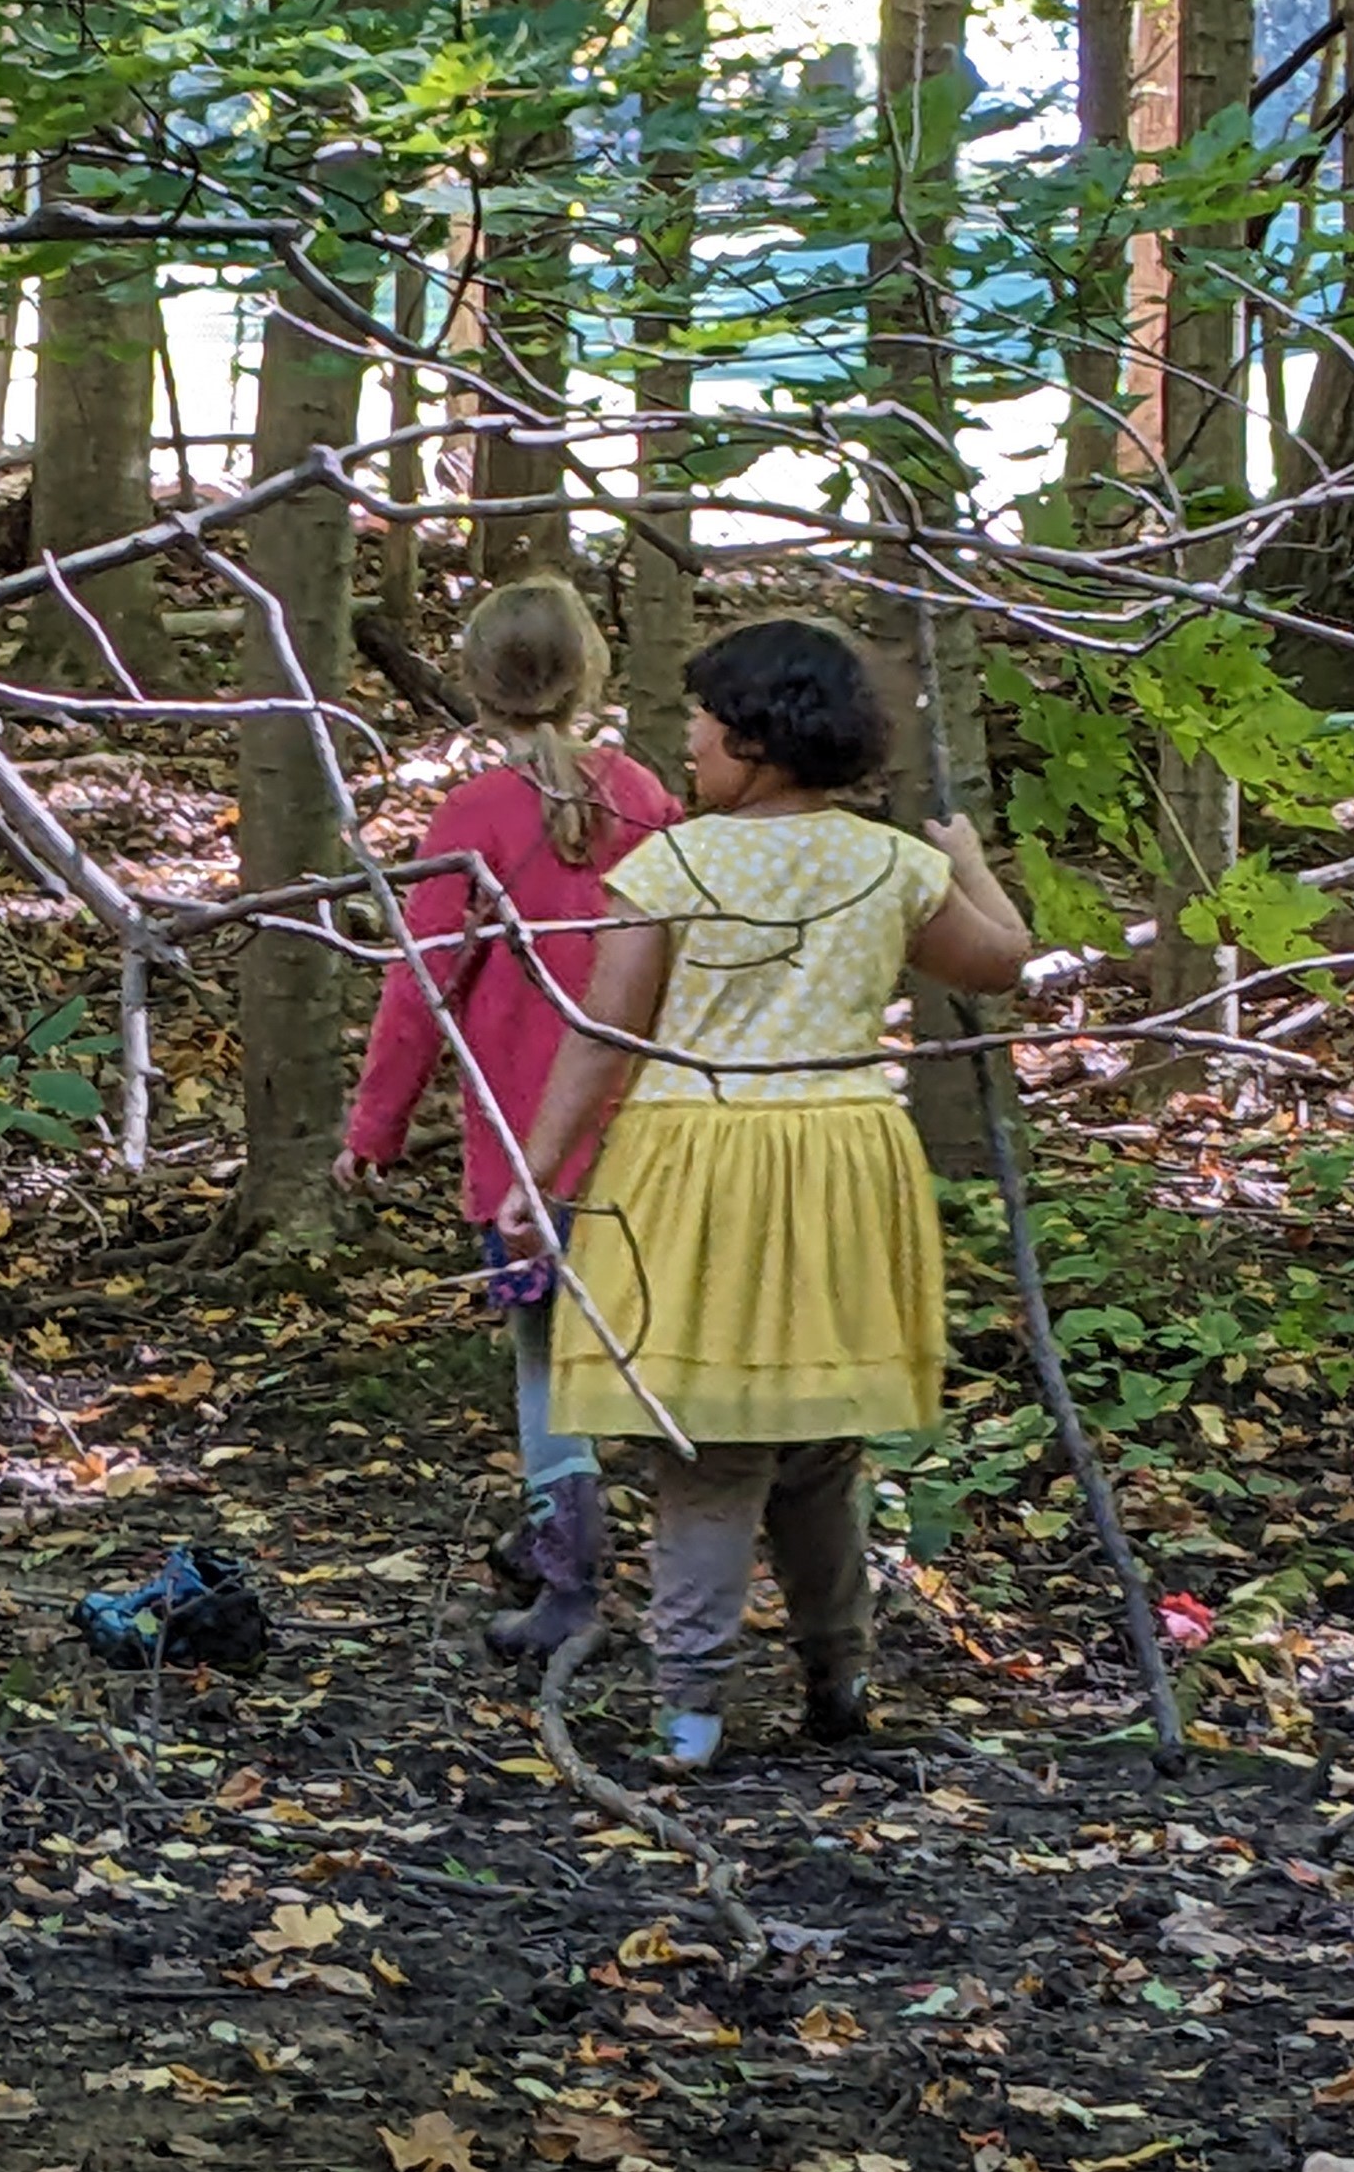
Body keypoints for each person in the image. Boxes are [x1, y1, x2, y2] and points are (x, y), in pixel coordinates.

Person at [515, 616, 1031, 1771]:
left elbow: (604, 1039)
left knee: (702, 1452)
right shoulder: (894, 864)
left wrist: (535, 1170)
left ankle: (688, 1711)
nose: (687, 742)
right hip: (842, 1162)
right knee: (817, 1449)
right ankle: (837, 1678)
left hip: (693, 1168)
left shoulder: (669, 867)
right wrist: (972, 859)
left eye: (701, 722)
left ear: (753, 738)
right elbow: (1001, 962)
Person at [335, 578, 682, 1661]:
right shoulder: (643, 799)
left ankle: (569, 1581)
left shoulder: (472, 818)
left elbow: (420, 989)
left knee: (544, 1358)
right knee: (647, 1356)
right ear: (591, 673)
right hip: (642, 1138)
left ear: (477, 687)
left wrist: (373, 1129)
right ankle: (684, 1587)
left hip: (522, 1150)